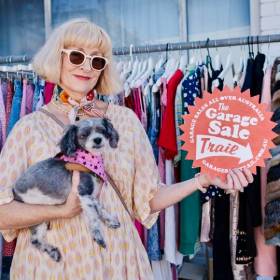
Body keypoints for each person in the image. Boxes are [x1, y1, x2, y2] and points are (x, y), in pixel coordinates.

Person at [0, 18, 253, 279]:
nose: (86, 67)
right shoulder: (29, 128)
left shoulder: (125, 120)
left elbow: (149, 198)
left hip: (118, 261)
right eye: (76, 56)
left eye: (96, 60)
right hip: (50, 267)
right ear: (58, 58)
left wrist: (202, 179)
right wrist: (60, 211)